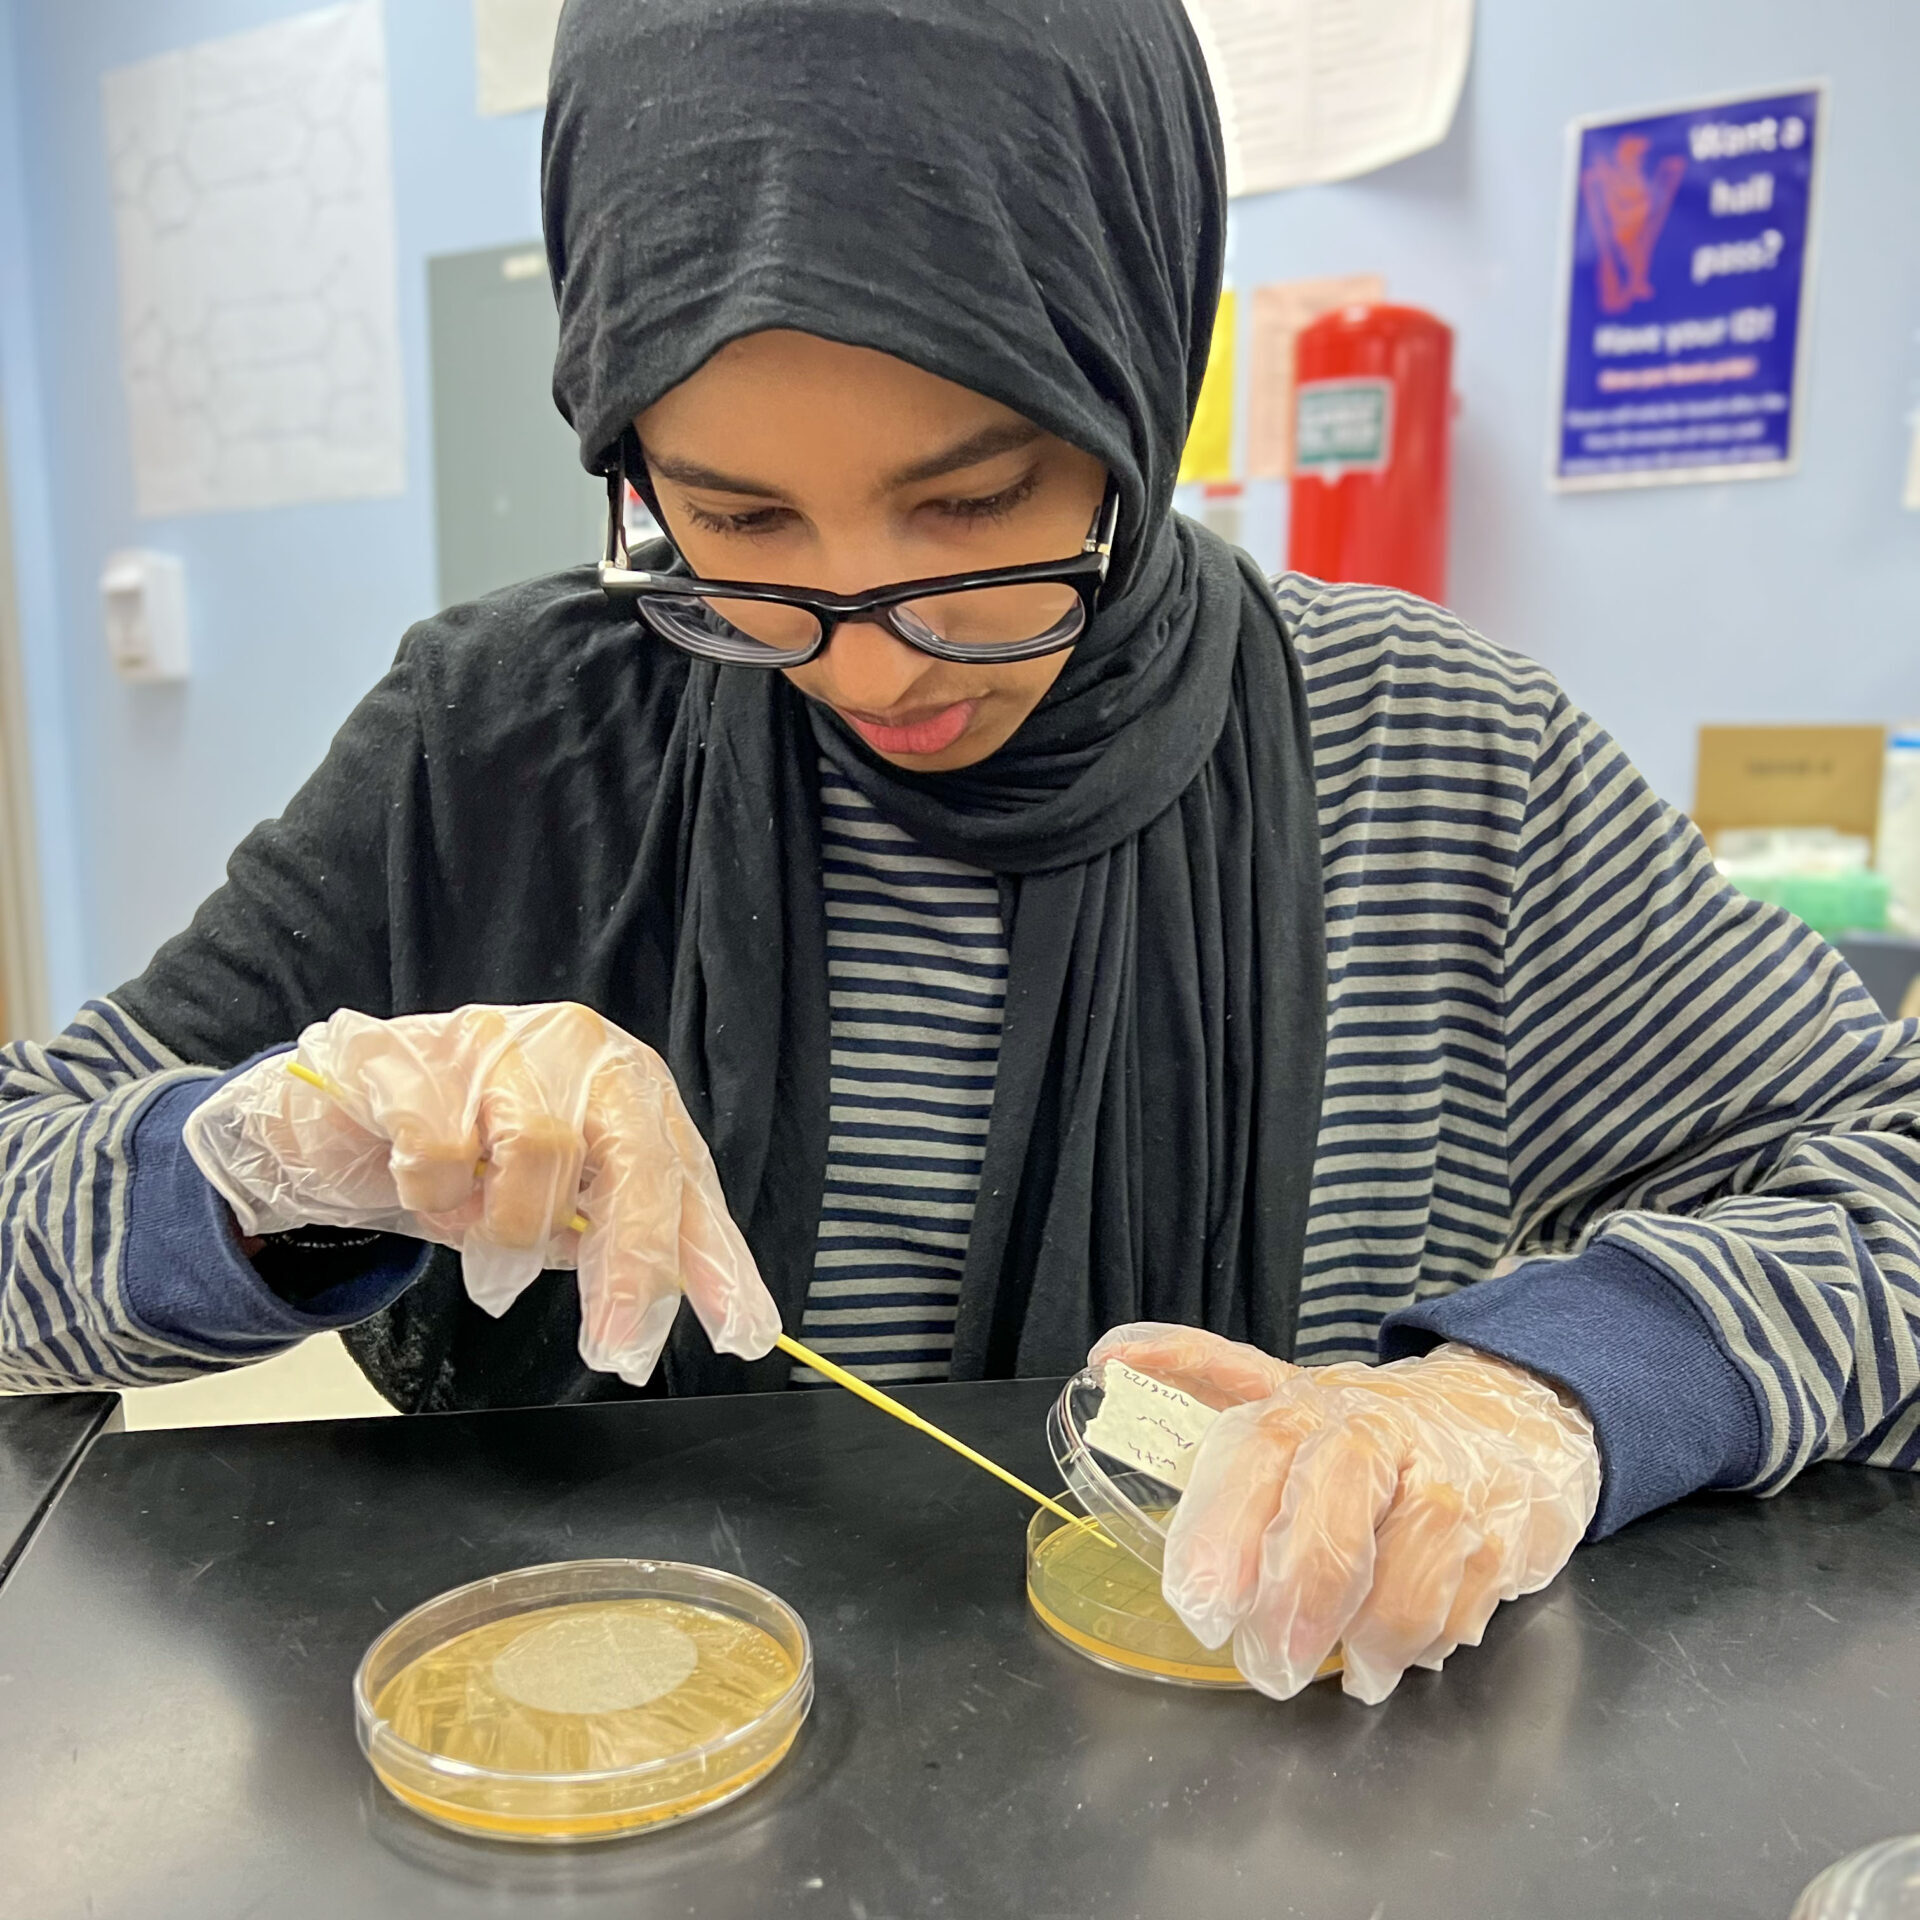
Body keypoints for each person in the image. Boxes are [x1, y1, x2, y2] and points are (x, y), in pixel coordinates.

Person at [2, 0, 1916, 1706]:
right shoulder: (500, 744)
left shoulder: (1443, 762)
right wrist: (274, 1161)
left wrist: (1541, 1398)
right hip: (603, 1783)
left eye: (977, 504)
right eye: (736, 522)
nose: (863, 651)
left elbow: (1890, 1183)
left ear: (1140, 381)